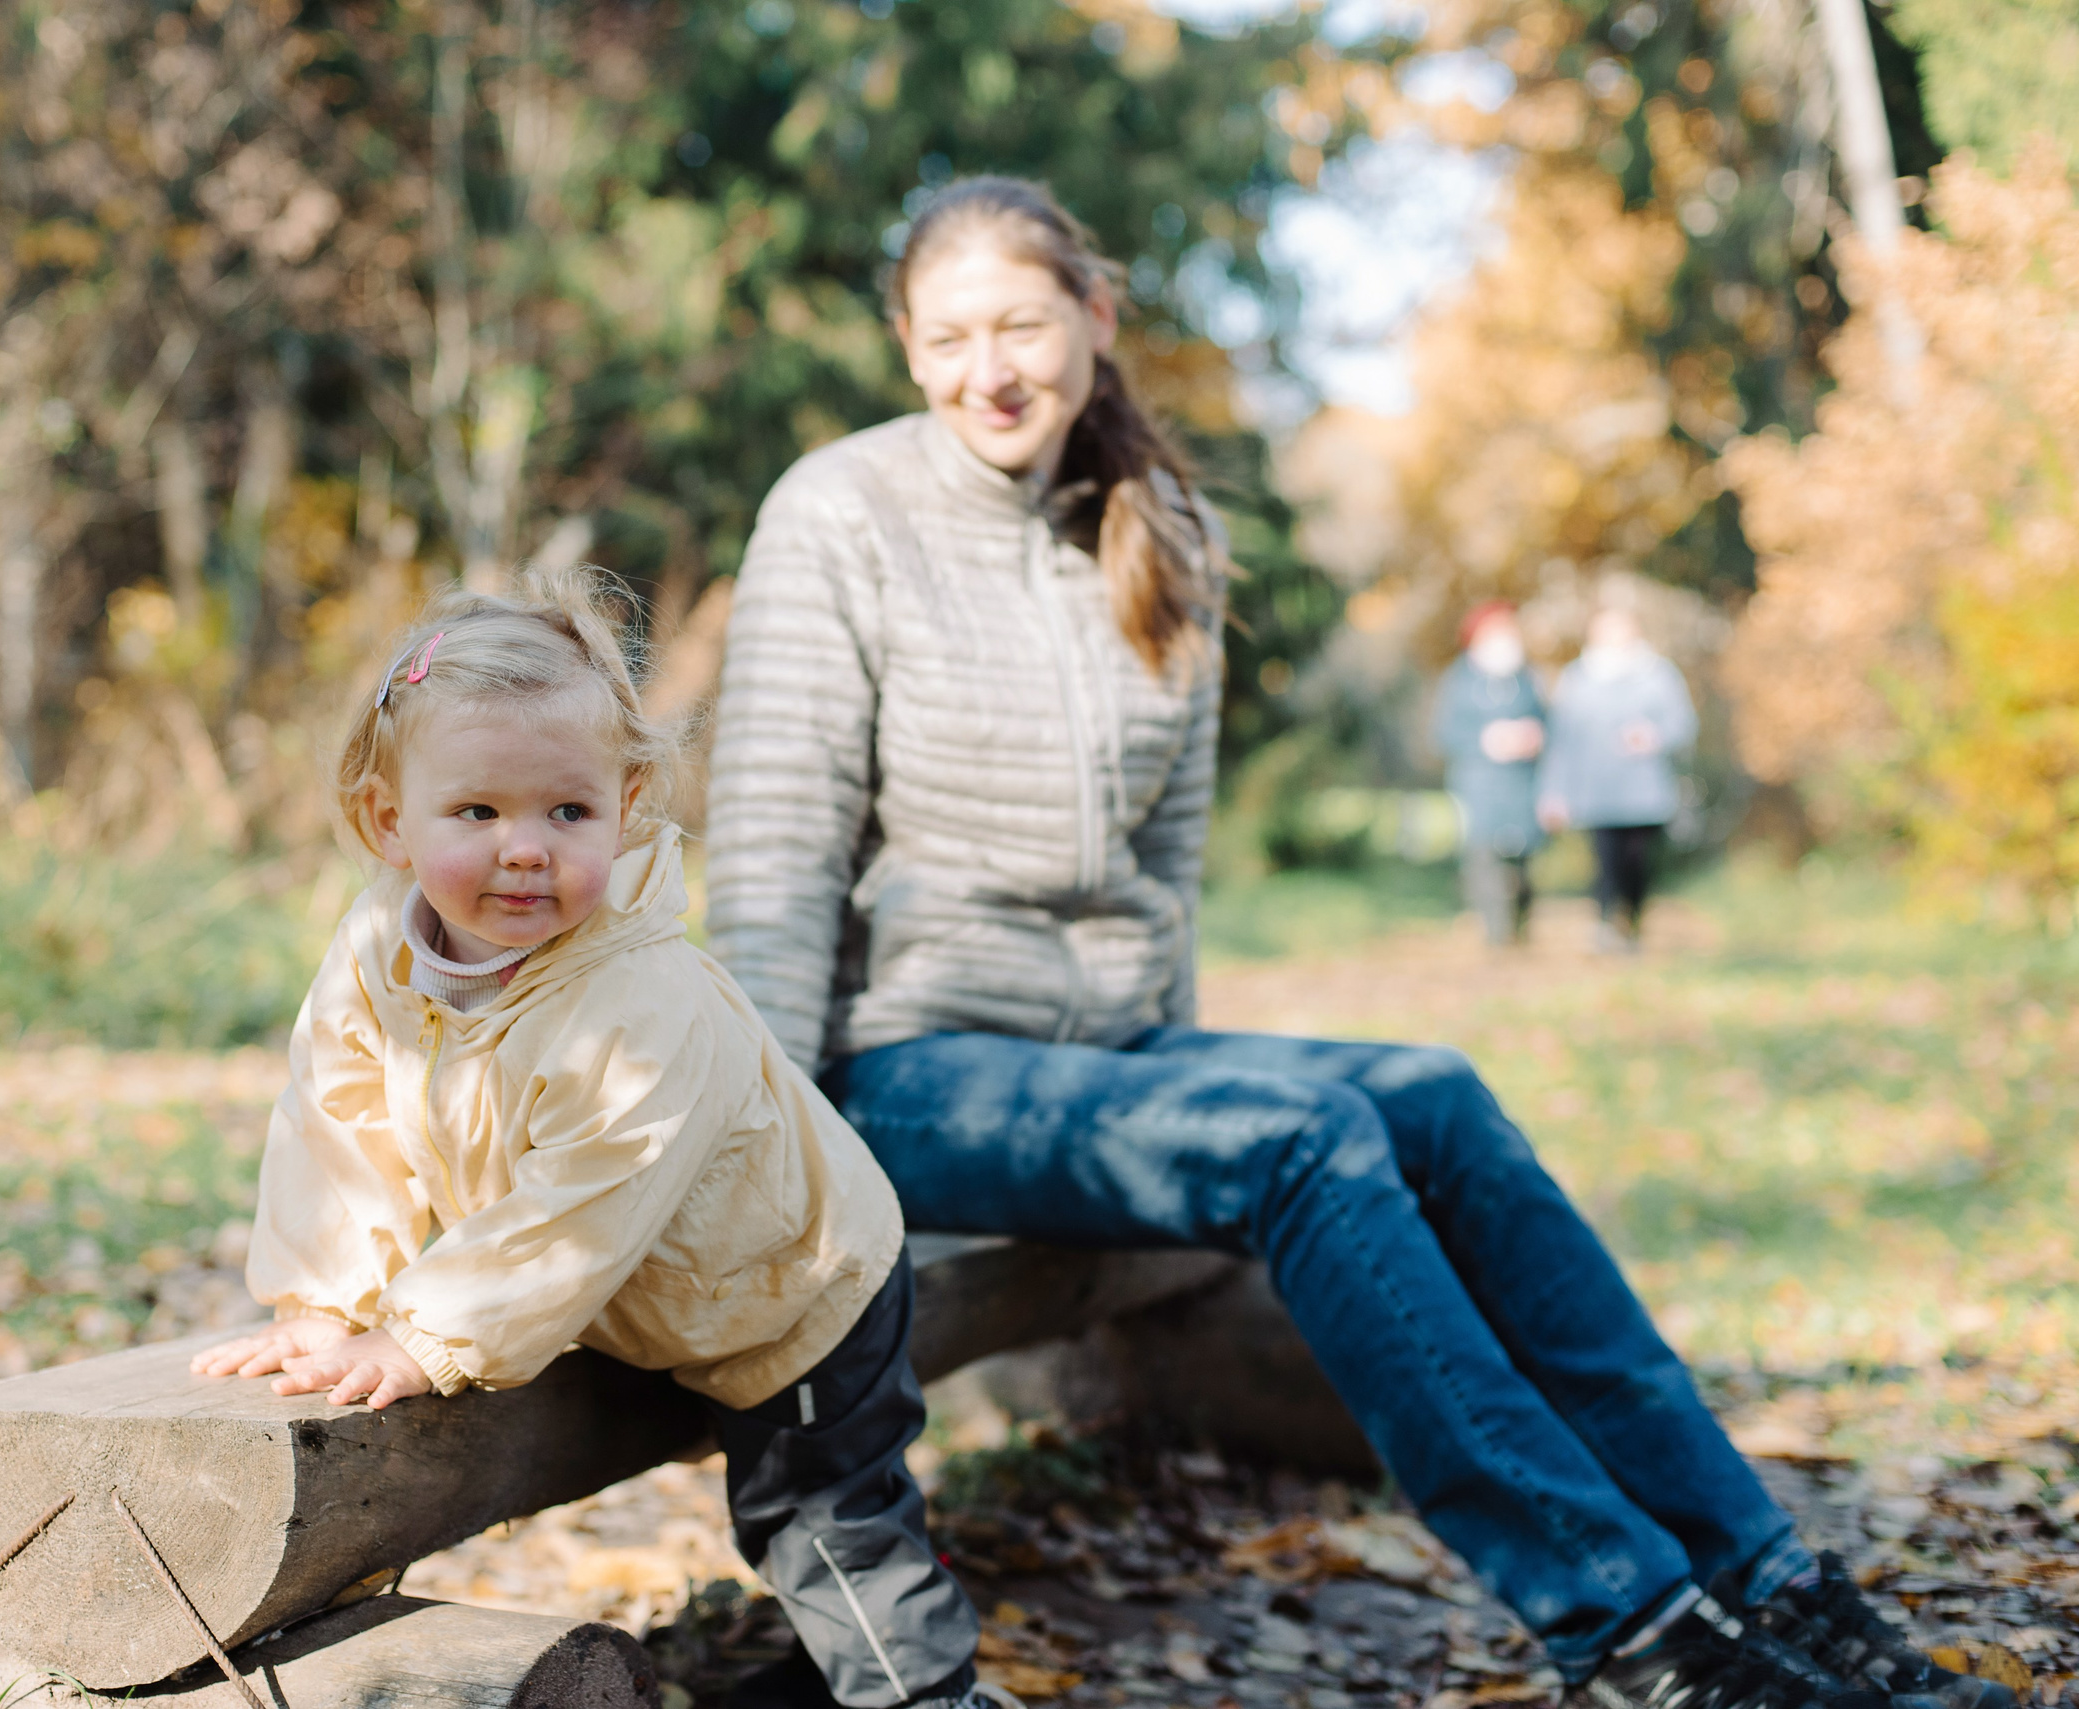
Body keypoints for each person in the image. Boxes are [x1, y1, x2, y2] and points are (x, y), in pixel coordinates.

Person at [705, 175, 2005, 1709]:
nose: (986, 368)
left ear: (1096, 317)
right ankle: (1638, 1635)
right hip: (906, 1076)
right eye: (944, 337)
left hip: (1108, 1059)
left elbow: (1166, 863)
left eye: (1019, 324)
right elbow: (778, 862)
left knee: (1435, 1093)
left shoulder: (1164, 524)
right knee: (1304, 1139)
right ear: (906, 350)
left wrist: (1170, 1086)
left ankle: (1766, 1576)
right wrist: (760, 1161)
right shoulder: (842, 513)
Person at [192, 568, 989, 1709]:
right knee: (791, 1520)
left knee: (816, 1516)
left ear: (625, 806)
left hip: (794, 1286)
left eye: (568, 811)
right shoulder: (379, 944)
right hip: (646, 1296)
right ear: (388, 820)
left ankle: (926, 1692)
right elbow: (339, 1114)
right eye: (477, 812)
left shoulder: (638, 998)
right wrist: (326, 1298)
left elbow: (583, 1203)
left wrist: (423, 1335)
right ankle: (831, 1674)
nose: (526, 847)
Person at [1537, 605, 1699, 953]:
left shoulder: (1658, 674)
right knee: (1605, 864)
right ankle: (1608, 925)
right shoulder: (1576, 678)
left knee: (1637, 864)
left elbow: (1683, 724)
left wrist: (1655, 735)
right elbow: (1562, 740)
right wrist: (1554, 792)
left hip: (1645, 792)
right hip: (1595, 792)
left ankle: (1634, 921)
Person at [1435, 601, 1549, 946]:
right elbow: (1444, 733)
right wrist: (1487, 740)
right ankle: (1495, 932)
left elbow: (1548, 720)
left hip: (1523, 782)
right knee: (1484, 857)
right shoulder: (1459, 679)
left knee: (1522, 861)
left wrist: (1534, 736)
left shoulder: (1527, 678)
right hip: (1479, 783)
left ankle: (1520, 925)